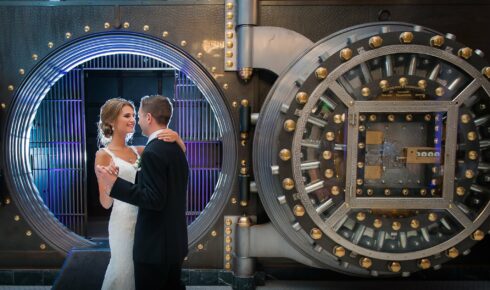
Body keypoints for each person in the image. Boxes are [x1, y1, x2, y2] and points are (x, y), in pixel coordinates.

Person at [96, 95, 189, 290]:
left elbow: (164, 167)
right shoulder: (103, 155)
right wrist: (108, 183)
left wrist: (178, 139)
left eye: (134, 115)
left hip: (149, 225)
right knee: (123, 274)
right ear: (112, 122)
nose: (133, 120)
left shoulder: (141, 150)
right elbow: (106, 203)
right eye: (126, 116)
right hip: (125, 223)